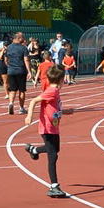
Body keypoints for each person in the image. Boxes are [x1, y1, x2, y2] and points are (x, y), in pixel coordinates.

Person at [23, 64, 72, 198]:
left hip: (54, 127)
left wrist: (65, 112)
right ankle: (54, 186)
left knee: (55, 149)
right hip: (47, 128)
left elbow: (54, 108)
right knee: (53, 155)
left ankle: (34, 150)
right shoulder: (52, 91)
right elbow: (34, 101)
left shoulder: (55, 91)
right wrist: (29, 116)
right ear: (62, 80)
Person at [6, 33, 31, 114]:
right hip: (21, 70)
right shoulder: (23, 48)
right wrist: (29, 71)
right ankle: (21, 108)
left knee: (12, 90)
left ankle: (11, 103)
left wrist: (9, 66)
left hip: (11, 71)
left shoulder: (8, 47)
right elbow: (26, 60)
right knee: (22, 90)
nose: (24, 39)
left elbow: (6, 60)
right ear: (19, 38)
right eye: (23, 37)